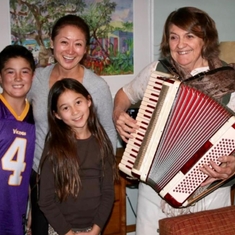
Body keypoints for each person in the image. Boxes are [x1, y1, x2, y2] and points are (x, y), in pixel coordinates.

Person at [113, 7, 235, 235]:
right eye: (173, 36)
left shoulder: (229, 79)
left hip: (210, 189)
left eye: (190, 35)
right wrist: (118, 114)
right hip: (155, 188)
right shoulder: (157, 71)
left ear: (205, 39)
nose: (181, 44)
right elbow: (124, 95)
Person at [27, 14, 116, 234]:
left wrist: (99, 174)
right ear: (52, 42)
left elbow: (108, 133)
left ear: (86, 49)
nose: (70, 50)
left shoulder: (96, 87)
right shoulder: (36, 79)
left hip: (81, 184)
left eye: (78, 44)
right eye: (64, 42)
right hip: (41, 178)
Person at [38, 78, 116, 235]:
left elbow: (108, 192)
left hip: (94, 230)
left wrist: (96, 230)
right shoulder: (54, 147)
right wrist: (68, 233)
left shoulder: (102, 142)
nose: (75, 111)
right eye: (65, 108)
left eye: (78, 102)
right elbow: (45, 200)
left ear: (88, 101)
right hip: (61, 231)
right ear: (57, 115)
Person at [0, 45, 36, 235]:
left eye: (24, 72)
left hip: (17, 210)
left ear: (33, 76)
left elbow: (30, 167)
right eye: (10, 72)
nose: (18, 78)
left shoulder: (36, 115)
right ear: (0, 76)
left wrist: (31, 210)